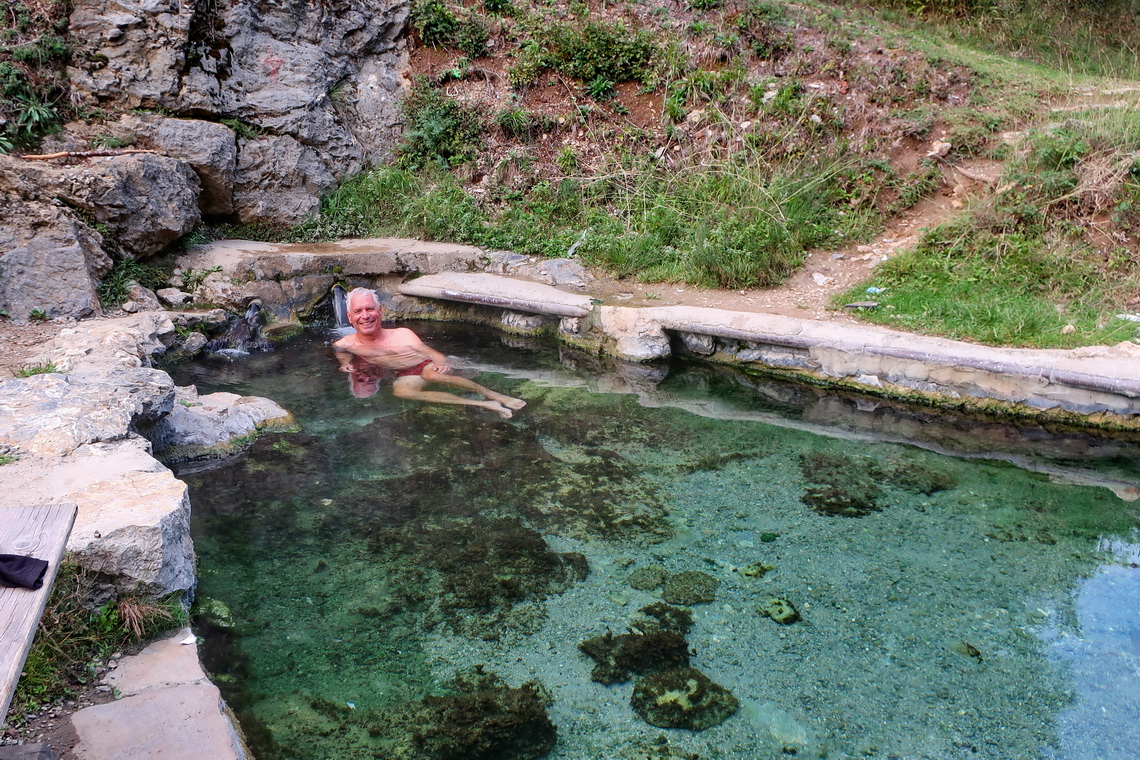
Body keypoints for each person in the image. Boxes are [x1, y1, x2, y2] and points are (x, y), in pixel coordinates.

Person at [333, 288, 527, 418]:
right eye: (358, 311)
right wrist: (343, 363)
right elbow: (342, 353)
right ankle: (484, 405)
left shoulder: (402, 335)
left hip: (425, 365)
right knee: (400, 390)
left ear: (380, 311)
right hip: (405, 374)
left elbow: (431, 353)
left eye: (370, 309)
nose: (365, 316)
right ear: (350, 317)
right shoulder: (345, 343)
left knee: (430, 373)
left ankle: (494, 395)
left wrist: (441, 362)